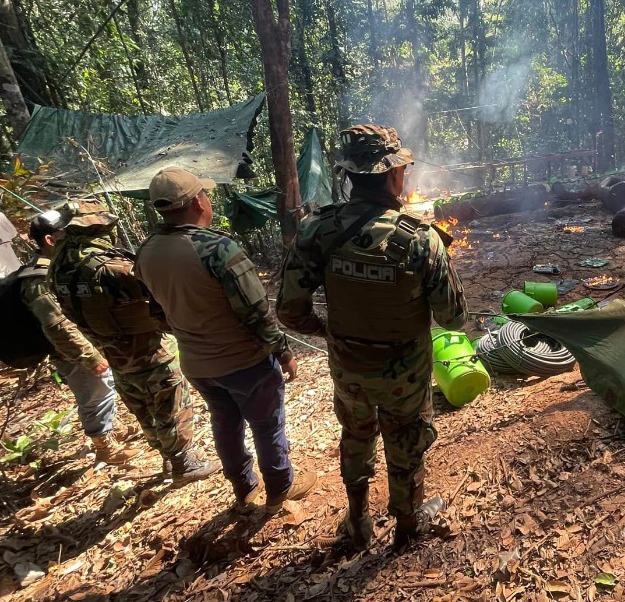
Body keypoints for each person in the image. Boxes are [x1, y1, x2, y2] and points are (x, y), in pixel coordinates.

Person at [276, 124, 467, 552]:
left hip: (350, 368)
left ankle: (358, 520)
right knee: (406, 442)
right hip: (407, 376)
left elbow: (289, 310)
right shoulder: (421, 240)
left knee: (357, 435)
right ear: (394, 174)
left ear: (348, 175)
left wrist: (331, 333)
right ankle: (406, 526)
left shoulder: (316, 231)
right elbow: (454, 320)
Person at [135, 167, 315, 513]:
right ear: (198, 201)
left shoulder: (146, 252)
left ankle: (244, 488)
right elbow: (256, 311)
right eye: (205, 194)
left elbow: (156, 313)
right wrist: (283, 351)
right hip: (244, 361)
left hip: (197, 364)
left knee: (225, 423)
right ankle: (280, 487)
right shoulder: (217, 249)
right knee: (266, 424)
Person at [46, 200, 218, 486]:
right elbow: (157, 288)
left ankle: (168, 458)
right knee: (169, 403)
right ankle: (184, 462)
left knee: (142, 406)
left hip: (114, 353)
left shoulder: (59, 267)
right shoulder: (109, 267)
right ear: (97, 227)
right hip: (147, 348)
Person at [25, 210, 139, 465]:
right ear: (51, 240)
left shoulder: (61, 267)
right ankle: (105, 448)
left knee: (105, 389)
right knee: (94, 394)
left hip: (88, 343)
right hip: (71, 352)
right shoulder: (40, 278)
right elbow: (57, 325)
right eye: (68, 234)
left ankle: (113, 429)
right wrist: (90, 356)